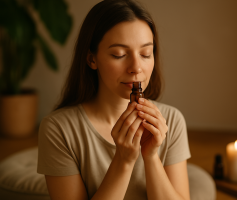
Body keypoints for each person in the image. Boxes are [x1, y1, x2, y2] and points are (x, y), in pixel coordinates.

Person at [37, 0, 191, 199]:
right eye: (119, 55)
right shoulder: (58, 129)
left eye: (146, 53)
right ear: (92, 59)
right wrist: (123, 161)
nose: (136, 67)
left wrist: (151, 157)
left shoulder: (172, 120)